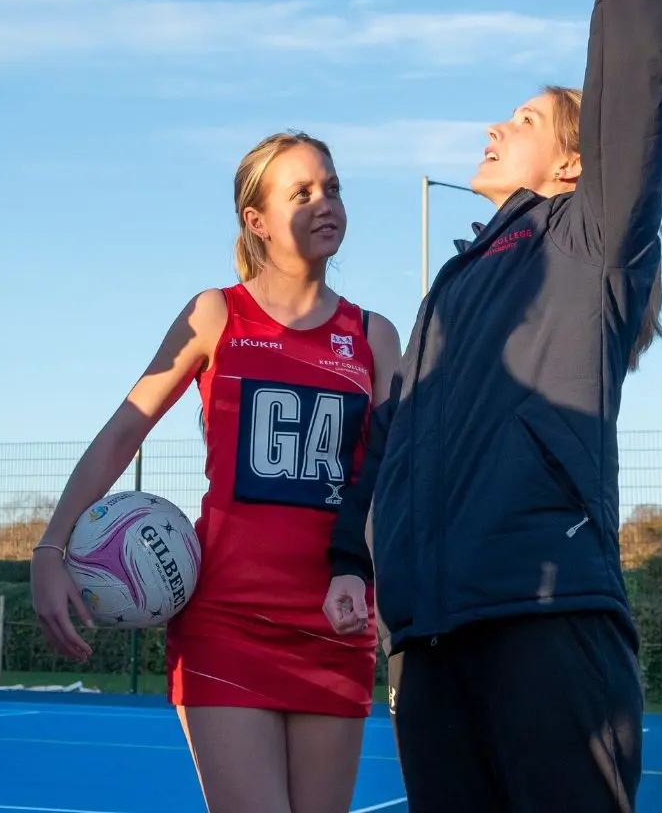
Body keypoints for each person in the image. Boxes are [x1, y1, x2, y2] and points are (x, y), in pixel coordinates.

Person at [326, 0, 662, 813]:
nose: (493, 125)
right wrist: (353, 554)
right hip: (431, 637)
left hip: (546, 615)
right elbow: (393, 436)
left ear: (572, 162)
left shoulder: (588, 239)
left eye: (522, 120)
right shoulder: (452, 287)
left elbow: (639, 80)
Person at [32, 132, 403, 813]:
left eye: (333, 187)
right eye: (303, 193)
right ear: (256, 221)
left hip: (336, 621)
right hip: (226, 623)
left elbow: (395, 474)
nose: (327, 203)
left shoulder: (375, 335)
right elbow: (122, 435)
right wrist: (50, 546)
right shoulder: (216, 314)